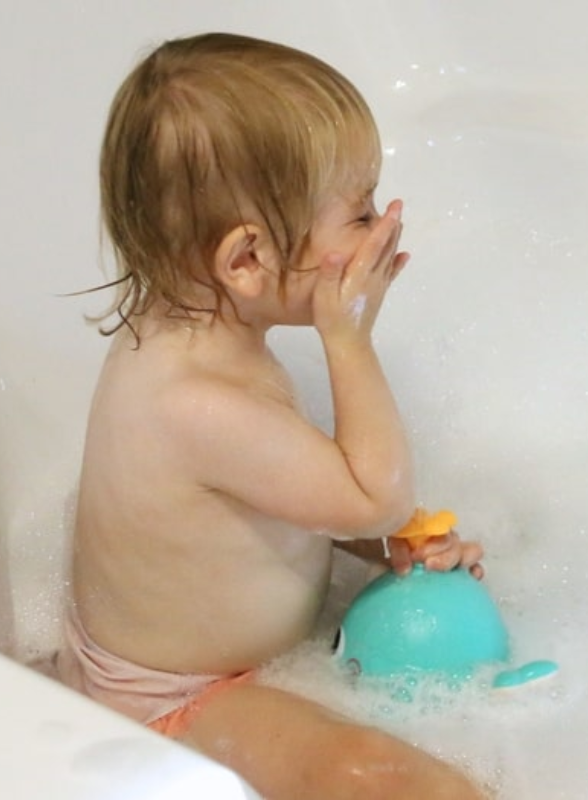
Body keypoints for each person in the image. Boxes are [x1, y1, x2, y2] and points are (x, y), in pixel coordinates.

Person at [58, 32, 488, 799]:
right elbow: (376, 494)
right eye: (359, 212)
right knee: (376, 776)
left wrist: (387, 542)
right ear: (246, 261)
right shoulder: (195, 403)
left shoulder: (190, 341)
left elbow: (272, 492)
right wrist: (349, 338)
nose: (380, 229)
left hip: (214, 669)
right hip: (167, 708)